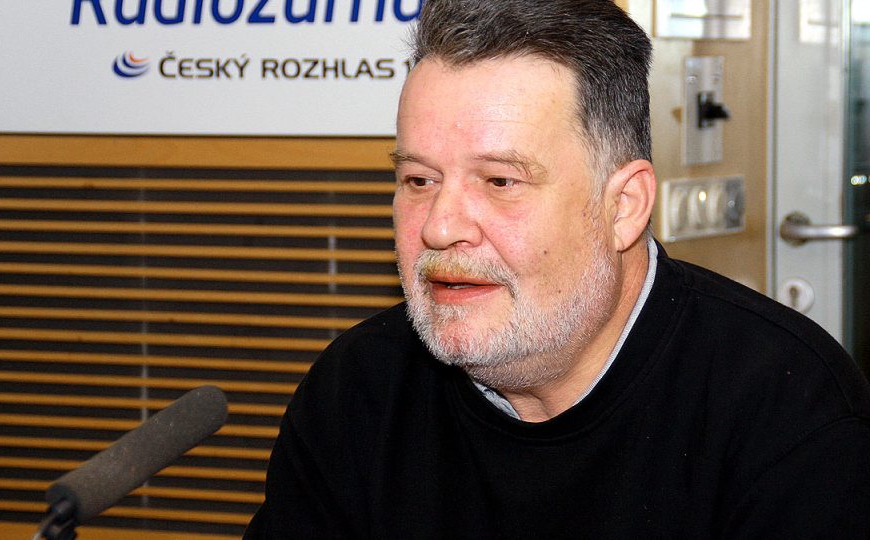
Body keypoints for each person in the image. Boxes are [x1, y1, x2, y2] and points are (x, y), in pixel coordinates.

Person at [245, 0, 870, 537]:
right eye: (418, 180)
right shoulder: (358, 389)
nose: (439, 225)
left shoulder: (786, 411)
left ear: (623, 207)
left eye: (500, 181)